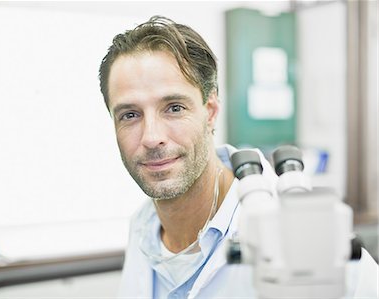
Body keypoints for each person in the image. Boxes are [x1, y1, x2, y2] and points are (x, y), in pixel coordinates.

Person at [98, 16, 378, 298]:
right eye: (130, 115)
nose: (151, 137)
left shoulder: (310, 237)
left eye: (174, 108)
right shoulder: (143, 228)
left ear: (210, 110)